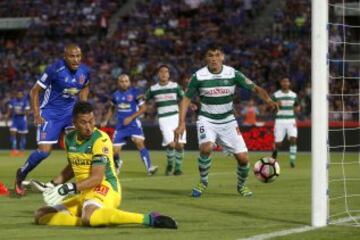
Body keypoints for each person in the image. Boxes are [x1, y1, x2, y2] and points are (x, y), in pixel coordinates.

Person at [35, 101, 177, 229]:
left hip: (104, 187)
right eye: (83, 123)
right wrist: (51, 185)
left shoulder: (101, 140)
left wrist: (67, 188)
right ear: (75, 123)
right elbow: (73, 167)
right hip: (84, 191)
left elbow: (97, 178)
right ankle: (87, 220)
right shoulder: (69, 139)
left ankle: (149, 219)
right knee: (41, 215)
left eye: (91, 121)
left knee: (89, 216)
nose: (89, 127)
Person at [174, 43, 278, 197]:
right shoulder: (198, 76)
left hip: (228, 121)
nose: (214, 59)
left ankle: (241, 186)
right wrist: (181, 123)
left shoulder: (232, 74)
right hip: (206, 119)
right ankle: (203, 181)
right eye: (210, 55)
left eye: (217, 55)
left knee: (243, 159)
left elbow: (255, 87)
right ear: (206, 58)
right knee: (206, 148)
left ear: (222, 57)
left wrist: (268, 100)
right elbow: (186, 99)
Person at [15, 43, 90, 196]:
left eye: (78, 56)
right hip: (49, 114)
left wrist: (82, 105)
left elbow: (85, 86)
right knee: (43, 152)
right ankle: (21, 174)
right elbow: (34, 91)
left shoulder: (85, 71)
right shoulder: (54, 70)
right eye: (72, 56)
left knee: (78, 152)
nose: (76, 60)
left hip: (70, 116)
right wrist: (36, 114)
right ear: (65, 57)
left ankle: (57, 185)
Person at [101, 74, 158, 176]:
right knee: (114, 151)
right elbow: (112, 108)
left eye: (126, 81)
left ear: (129, 82)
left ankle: (149, 168)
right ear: (118, 83)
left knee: (139, 142)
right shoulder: (115, 95)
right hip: (121, 126)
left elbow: (143, 108)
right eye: (122, 81)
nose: (124, 83)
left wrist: (131, 117)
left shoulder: (136, 93)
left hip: (133, 125)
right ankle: (118, 162)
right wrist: (106, 120)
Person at [145, 65, 186, 176]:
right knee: (171, 144)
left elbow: (183, 99)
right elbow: (144, 99)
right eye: (161, 71)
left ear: (169, 74)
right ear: (158, 74)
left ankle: (177, 169)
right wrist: (143, 109)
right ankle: (170, 165)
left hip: (176, 117)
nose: (164, 74)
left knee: (180, 145)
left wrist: (188, 108)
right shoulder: (153, 89)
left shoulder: (175, 86)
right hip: (163, 119)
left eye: (166, 72)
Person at [271, 77, 300, 168]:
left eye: (287, 81)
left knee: (293, 139)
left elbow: (297, 107)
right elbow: (272, 110)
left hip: (291, 120)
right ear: (281, 83)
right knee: (278, 144)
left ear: (289, 83)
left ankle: (292, 161)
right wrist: (276, 106)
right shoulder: (276, 95)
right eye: (283, 81)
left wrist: (297, 109)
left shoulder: (294, 95)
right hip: (280, 120)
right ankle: (274, 156)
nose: (285, 83)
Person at [4, 91, 30, 156]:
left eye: (20, 94)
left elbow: (27, 112)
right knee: (13, 134)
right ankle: (14, 150)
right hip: (15, 120)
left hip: (22, 120)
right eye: (18, 94)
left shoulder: (25, 101)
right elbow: (9, 111)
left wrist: (24, 117)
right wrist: (7, 119)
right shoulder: (13, 101)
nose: (19, 95)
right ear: (16, 95)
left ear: (22, 95)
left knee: (22, 135)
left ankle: (22, 151)